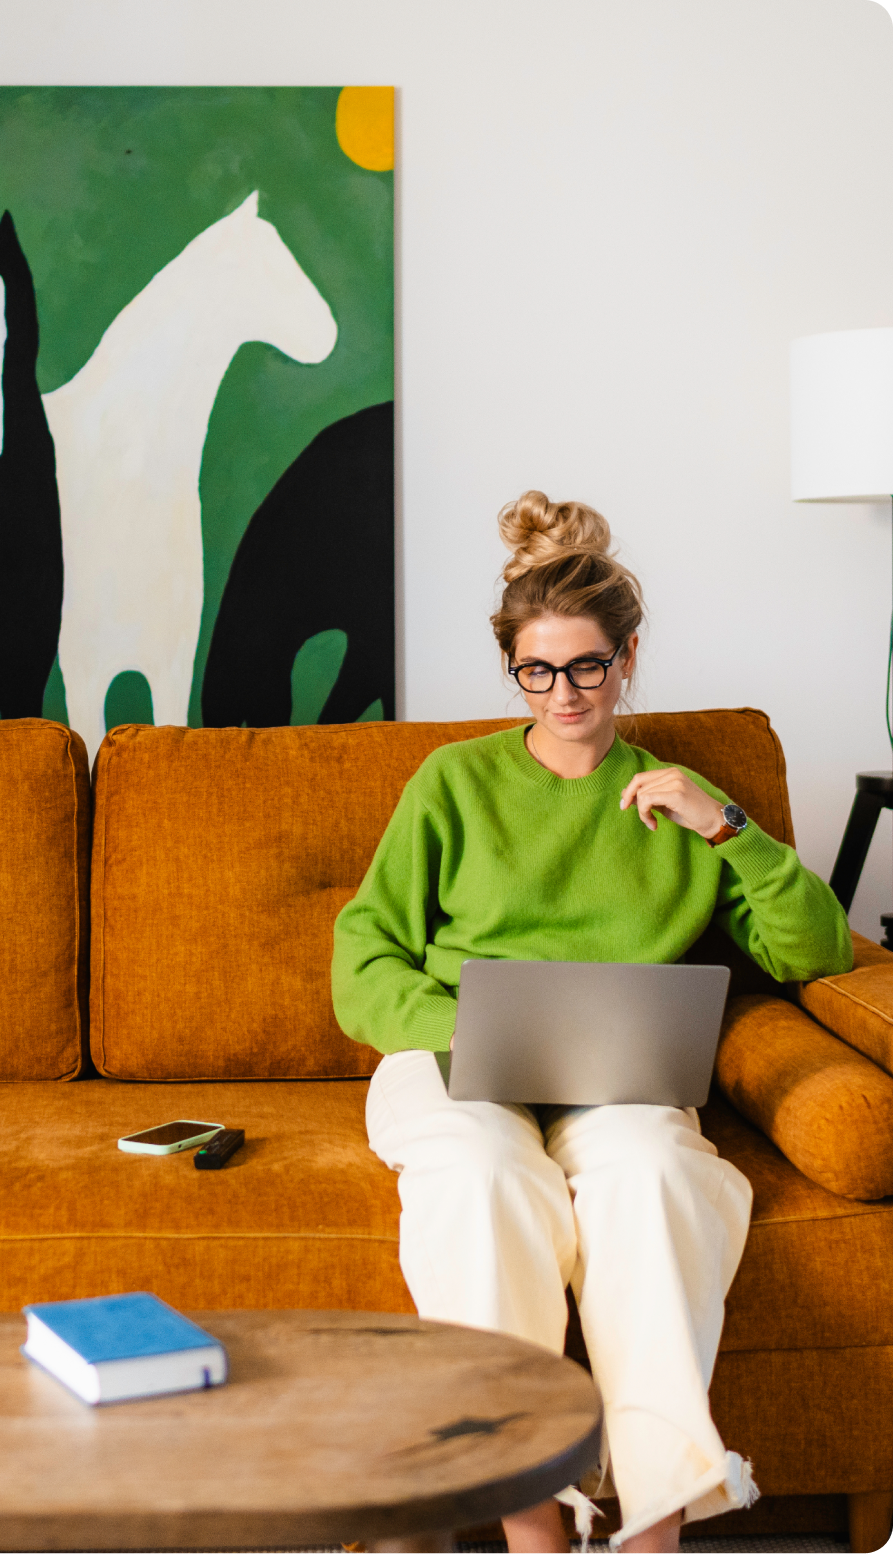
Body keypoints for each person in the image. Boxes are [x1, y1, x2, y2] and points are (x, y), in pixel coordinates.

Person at [331, 492, 851, 1554]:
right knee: (483, 1179)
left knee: (655, 1179)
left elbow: (816, 953)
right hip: (457, 1058)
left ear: (627, 657)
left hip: (618, 1075)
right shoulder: (454, 781)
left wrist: (730, 828)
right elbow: (362, 961)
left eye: (587, 667)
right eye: (538, 670)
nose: (563, 692)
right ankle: (535, 1518)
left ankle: (653, 1520)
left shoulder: (682, 799)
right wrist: (473, 1021)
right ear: (511, 669)